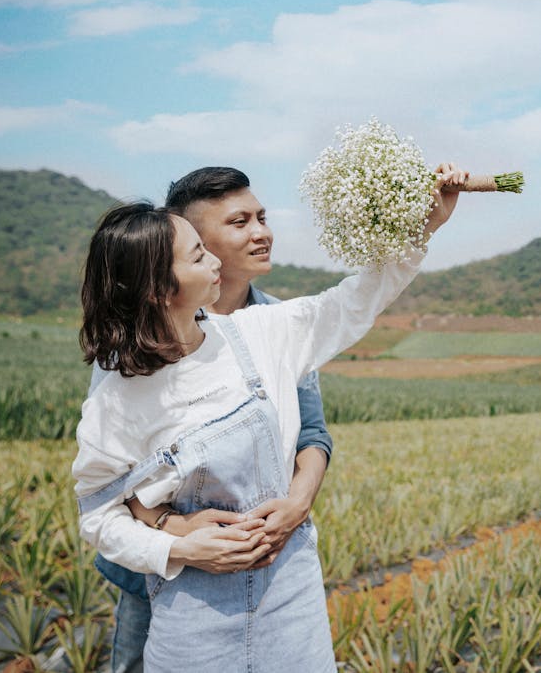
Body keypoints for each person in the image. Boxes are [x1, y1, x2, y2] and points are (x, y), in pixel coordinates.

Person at [73, 165, 465, 671]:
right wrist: (179, 543)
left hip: (288, 585)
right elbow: (101, 510)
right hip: (185, 605)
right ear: (157, 287)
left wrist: (423, 227)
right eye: (199, 253)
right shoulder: (118, 392)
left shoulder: (264, 330)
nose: (215, 260)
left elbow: (354, 303)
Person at [88, 167, 334, 673]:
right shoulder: (133, 343)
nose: (262, 232)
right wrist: (173, 530)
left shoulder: (277, 323)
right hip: (158, 571)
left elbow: (312, 433)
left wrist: (296, 504)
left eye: (262, 217)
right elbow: (120, 470)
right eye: (239, 222)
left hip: (261, 560)